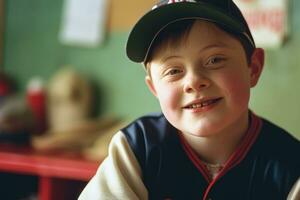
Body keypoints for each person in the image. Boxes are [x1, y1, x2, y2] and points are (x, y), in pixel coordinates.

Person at [79, 0, 300, 199]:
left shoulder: (290, 166)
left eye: (215, 60)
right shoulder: (136, 149)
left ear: (253, 68)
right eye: (173, 70)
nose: (194, 82)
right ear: (154, 87)